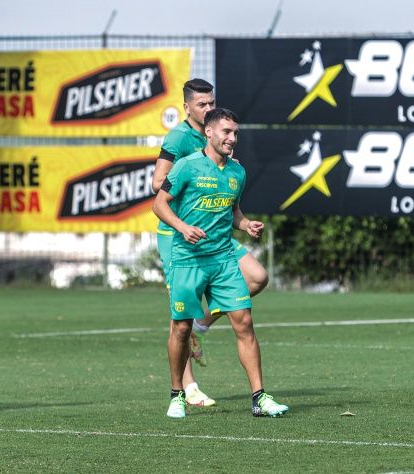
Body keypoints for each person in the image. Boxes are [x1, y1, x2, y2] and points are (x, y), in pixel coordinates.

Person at [152, 108, 289, 418]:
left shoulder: (237, 172)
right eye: (227, 132)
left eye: (236, 133)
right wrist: (182, 227)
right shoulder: (186, 166)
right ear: (209, 132)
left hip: (223, 259)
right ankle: (177, 395)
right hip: (188, 260)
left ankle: (259, 397)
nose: (232, 138)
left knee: (244, 323)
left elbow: (233, 212)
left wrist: (246, 224)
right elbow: (159, 204)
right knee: (181, 328)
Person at [153, 78, 268, 373]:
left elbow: (232, 206)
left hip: (214, 231)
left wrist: (243, 220)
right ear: (187, 107)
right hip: (179, 234)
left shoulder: (221, 137)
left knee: (257, 277)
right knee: (180, 317)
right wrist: (195, 173)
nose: (208, 108)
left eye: (211, 103)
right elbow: (158, 183)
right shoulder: (179, 139)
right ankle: (187, 388)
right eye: (201, 104)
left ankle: (201, 325)